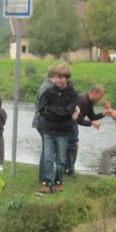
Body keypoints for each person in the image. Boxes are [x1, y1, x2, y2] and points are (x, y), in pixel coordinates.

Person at [37, 63, 79, 194]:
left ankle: (58, 182)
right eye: (56, 77)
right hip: (48, 130)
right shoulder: (48, 92)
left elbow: (68, 112)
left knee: (61, 159)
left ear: (67, 78)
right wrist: (58, 112)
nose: (57, 80)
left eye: (60, 77)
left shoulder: (73, 94)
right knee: (48, 158)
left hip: (63, 132)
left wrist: (52, 109)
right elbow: (42, 109)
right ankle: (46, 183)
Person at [67, 84, 106, 177]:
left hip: (72, 124)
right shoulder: (83, 101)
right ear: (94, 93)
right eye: (100, 96)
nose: (101, 99)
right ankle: (69, 170)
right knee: (73, 145)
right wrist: (92, 123)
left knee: (72, 146)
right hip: (69, 124)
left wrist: (104, 113)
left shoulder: (89, 100)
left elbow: (92, 116)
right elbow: (79, 120)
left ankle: (68, 169)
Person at [32, 66, 57, 183]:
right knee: (48, 150)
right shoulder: (47, 88)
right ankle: (45, 176)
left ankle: (45, 176)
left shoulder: (46, 86)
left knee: (47, 149)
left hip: (41, 122)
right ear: (54, 76)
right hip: (43, 122)